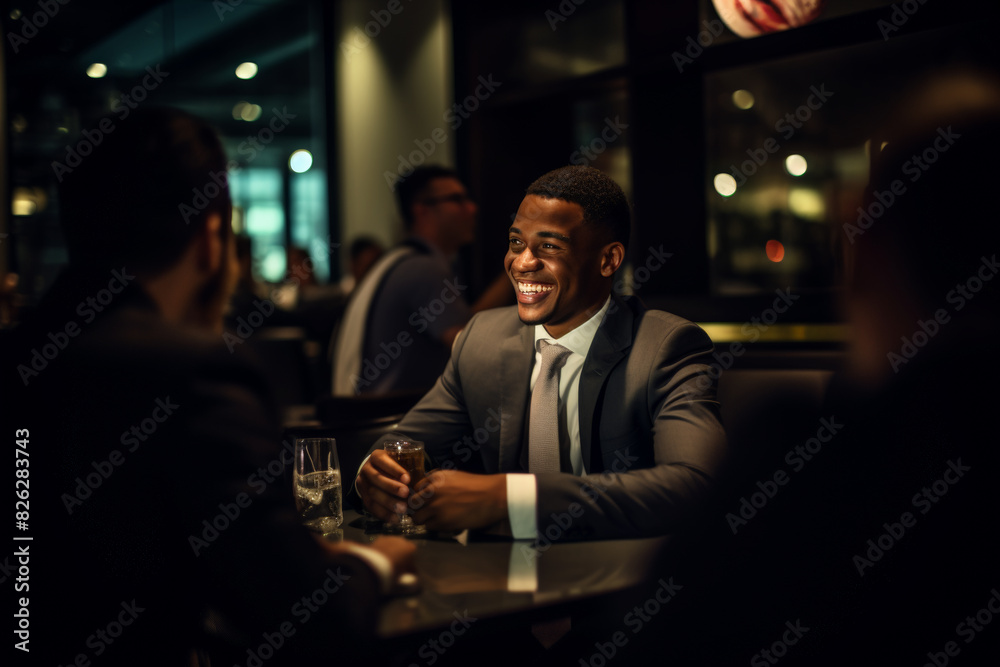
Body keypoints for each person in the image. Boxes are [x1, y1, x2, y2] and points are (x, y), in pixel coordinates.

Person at [3, 108, 413, 666]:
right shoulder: (190, 370)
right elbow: (314, 621)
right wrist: (374, 563)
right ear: (212, 237)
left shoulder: (27, 347)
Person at [357, 165, 727, 541]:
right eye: (517, 242)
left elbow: (697, 485)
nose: (522, 263)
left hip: (619, 580)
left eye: (549, 246)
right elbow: (401, 445)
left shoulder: (666, 347)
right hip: (502, 577)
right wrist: (376, 475)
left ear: (608, 260)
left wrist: (510, 497)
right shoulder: (480, 338)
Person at [331, 165, 511, 396]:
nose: (472, 208)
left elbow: (467, 326)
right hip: (388, 416)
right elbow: (468, 345)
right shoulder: (423, 268)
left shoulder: (400, 259)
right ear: (422, 210)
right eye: (457, 199)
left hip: (366, 409)